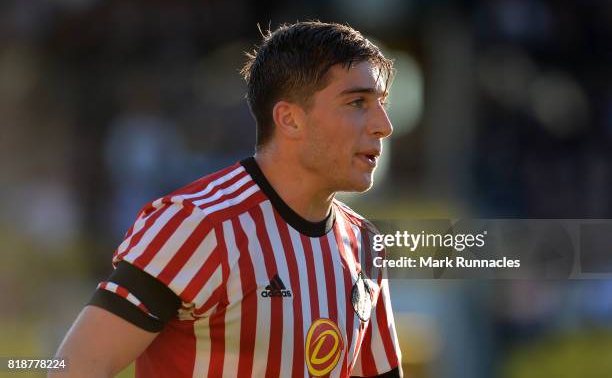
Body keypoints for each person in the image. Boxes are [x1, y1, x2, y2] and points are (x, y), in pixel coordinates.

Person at [52, 21, 402, 378]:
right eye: (357, 102)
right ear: (290, 119)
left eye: (382, 103)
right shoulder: (197, 224)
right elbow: (74, 368)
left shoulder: (365, 244)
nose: (384, 125)